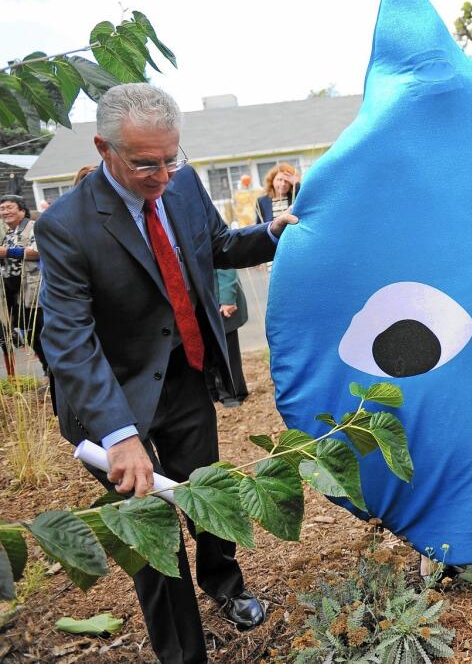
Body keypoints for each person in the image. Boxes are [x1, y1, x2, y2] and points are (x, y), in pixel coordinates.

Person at [38, 83, 298, 664]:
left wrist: (274, 234)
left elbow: (220, 246)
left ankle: (225, 586)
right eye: (144, 163)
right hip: (110, 398)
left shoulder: (183, 185)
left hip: (183, 378)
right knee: (152, 532)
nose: (161, 175)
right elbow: (70, 342)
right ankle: (184, 653)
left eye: (170, 158)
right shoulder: (65, 226)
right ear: (105, 148)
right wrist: (120, 435)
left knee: (206, 494)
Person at [0, 195, 46, 376]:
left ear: (22, 210)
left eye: (9, 207)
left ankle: (52, 373)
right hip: (15, 294)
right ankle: (46, 370)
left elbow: (38, 251)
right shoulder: (8, 233)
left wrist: (7, 252)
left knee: (41, 333)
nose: (5, 212)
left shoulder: (33, 227)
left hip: (34, 291)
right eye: (2, 209)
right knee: (29, 335)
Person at [209, 268, 249, 407]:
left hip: (219, 300)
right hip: (203, 301)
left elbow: (224, 263)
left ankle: (233, 394)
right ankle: (214, 392)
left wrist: (227, 297)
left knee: (226, 350)